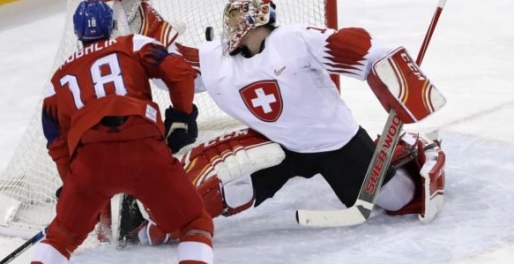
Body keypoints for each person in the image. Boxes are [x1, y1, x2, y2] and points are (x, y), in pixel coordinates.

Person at [117, 0, 447, 245]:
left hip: (335, 142)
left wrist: (397, 78)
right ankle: (151, 225)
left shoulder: (294, 40)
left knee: (398, 200)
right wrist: (137, 11)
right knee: (228, 186)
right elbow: (173, 68)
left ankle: (405, 153)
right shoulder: (215, 60)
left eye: (238, 22)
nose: (231, 29)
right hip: (276, 144)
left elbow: (360, 50)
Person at [30, 1, 213, 263]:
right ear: (112, 24)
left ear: (77, 33)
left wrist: (69, 179)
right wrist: (182, 116)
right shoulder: (132, 44)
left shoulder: (58, 78)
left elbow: (55, 141)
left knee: (61, 238)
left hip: (91, 164)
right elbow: (180, 71)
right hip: (144, 149)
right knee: (195, 225)